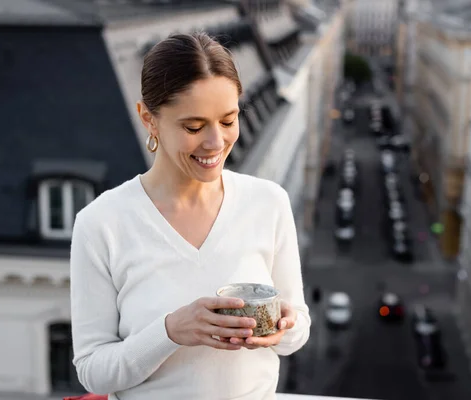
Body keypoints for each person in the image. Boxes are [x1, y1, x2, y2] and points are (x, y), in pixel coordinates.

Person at [70, 32, 311, 400]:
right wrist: (169, 331)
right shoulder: (101, 224)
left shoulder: (268, 203)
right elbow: (93, 372)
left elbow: (297, 330)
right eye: (194, 127)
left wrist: (286, 327)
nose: (216, 143)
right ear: (148, 120)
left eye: (229, 120)